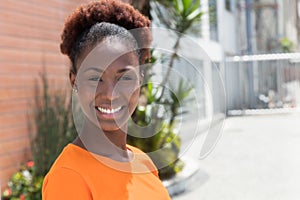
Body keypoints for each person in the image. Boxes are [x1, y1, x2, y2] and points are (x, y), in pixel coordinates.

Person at [42, 0, 171, 199]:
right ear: (75, 82)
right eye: (95, 78)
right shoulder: (69, 176)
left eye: (125, 78)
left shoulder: (143, 163)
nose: (110, 94)